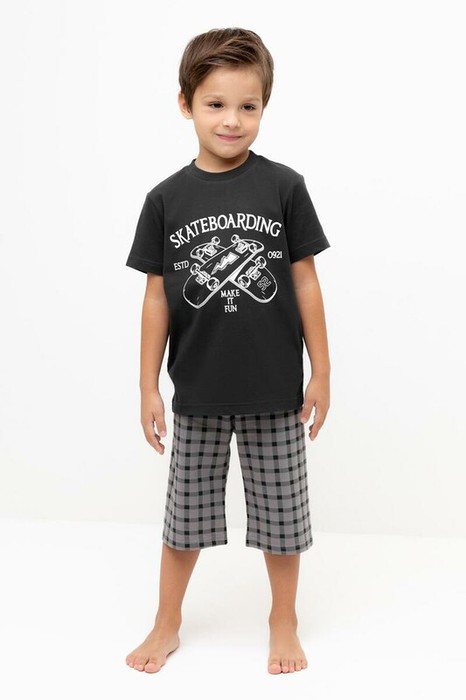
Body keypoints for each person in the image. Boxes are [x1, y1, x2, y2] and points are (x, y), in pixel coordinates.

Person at [124, 27, 331, 675]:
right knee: (183, 520)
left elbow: (305, 281)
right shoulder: (165, 199)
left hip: (276, 390)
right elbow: (156, 298)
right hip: (198, 391)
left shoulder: (284, 187)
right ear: (185, 104)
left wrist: (322, 370)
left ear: (264, 106)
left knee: (283, 519)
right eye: (215, 104)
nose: (232, 120)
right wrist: (147, 384)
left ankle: (282, 619)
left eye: (248, 106)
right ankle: (167, 621)